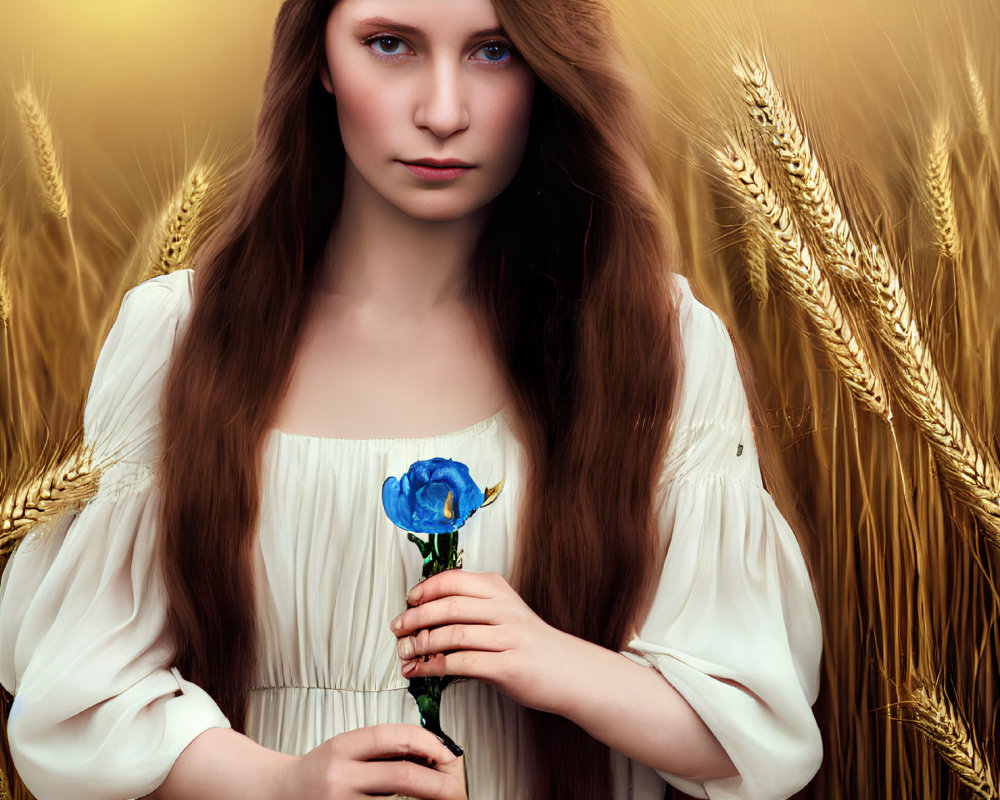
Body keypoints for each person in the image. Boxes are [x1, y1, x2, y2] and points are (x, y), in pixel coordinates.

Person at [0, 0, 824, 798]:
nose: (442, 111)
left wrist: (555, 661)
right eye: (390, 43)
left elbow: (754, 731)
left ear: (549, 66)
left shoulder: (659, 345)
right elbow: (77, 702)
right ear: (319, 55)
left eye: (494, 50)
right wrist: (280, 784)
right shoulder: (179, 336)